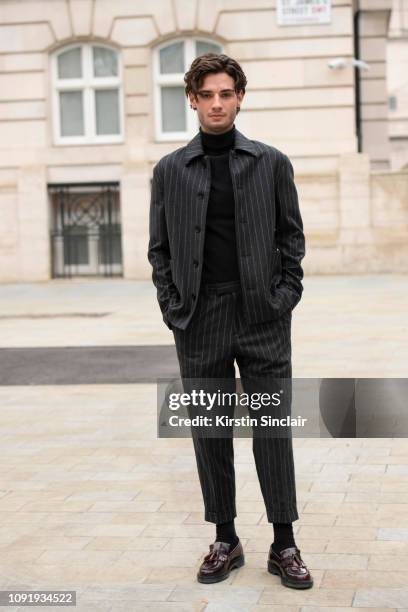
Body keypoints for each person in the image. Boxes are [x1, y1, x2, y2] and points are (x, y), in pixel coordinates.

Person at [148, 53, 313, 589]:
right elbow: (160, 250)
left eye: (226, 93)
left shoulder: (271, 163)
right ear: (192, 100)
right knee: (210, 432)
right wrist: (176, 309)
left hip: (262, 313)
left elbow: (292, 239)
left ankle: (284, 544)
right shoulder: (171, 170)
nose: (217, 103)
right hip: (199, 319)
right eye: (207, 95)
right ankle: (225, 537)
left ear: (240, 97)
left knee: (271, 428)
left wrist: (283, 296)